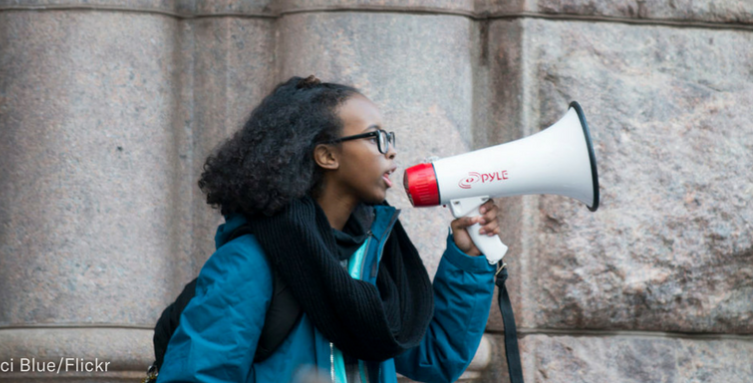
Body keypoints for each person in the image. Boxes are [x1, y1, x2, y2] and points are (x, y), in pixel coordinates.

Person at [156, 75, 499, 383]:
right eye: (375, 137)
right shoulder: (250, 261)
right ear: (327, 156)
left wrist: (467, 257)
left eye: (389, 137)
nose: (391, 150)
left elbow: (435, 359)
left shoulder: (373, 258)